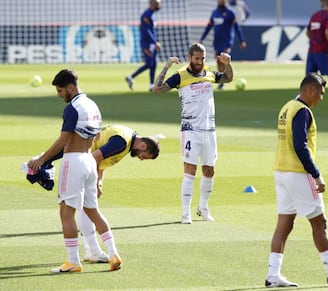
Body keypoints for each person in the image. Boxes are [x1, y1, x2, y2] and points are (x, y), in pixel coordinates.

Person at [265, 73, 328, 288]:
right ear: (312, 90)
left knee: (284, 224)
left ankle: (273, 275)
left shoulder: (287, 106)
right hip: (298, 173)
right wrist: (316, 174)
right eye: (322, 93)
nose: (322, 98)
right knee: (320, 222)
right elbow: (300, 145)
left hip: (281, 172)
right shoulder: (303, 111)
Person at [27, 69, 122, 273]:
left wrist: (41, 160)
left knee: (66, 212)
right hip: (90, 161)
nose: (59, 94)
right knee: (93, 211)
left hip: (74, 162)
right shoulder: (93, 105)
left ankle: (73, 262)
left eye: (61, 90)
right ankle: (114, 254)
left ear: (71, 87)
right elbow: (95, 137)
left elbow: (64, 140)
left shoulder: (73, 108)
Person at [153, 43, 233, 224]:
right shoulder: (180, 76)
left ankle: (203, 208)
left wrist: (228, 64)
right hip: (190, 130)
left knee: (209, 170)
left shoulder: (209, 72)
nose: (200, 62)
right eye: (197, 58)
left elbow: (227, 78)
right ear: (190, 57)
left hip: (209, 130)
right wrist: (166, 66)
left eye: (203, 58)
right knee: (190, 170)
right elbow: (157, 89)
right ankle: (185, 213)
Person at [78, 124, 160, 263]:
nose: (141, 158)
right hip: (83, 161)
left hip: (82, 159)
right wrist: (95, 180)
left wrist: (99, 182)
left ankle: (91, 251)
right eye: (144, 157)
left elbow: (102, 158)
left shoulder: (126, 140)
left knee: (85, 208)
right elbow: (95, 157)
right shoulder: (122, 142)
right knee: (88, 208)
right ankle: (92, 251)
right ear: (143, 147)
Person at [199, 0, 246, 89]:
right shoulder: (214, 13)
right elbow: (208, 27)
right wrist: (202, 39)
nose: (221, 1)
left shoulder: (230, 13)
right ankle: (222, 79)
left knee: (224, 60)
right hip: (217, 42)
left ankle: (224, 80)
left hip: (227, 42)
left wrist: (241, 40)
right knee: (219, 61)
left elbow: (237, 28)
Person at [125, 0, 161, 91]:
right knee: (150, 64)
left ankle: (151, 84)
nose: (159, 6)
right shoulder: (146, 14)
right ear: (152, 4)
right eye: (157, 4)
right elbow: (146, 30)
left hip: (151, 43)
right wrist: (154, 42)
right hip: (147, 43)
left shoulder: (152, 14)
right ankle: (131, 77)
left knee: (154, 63)